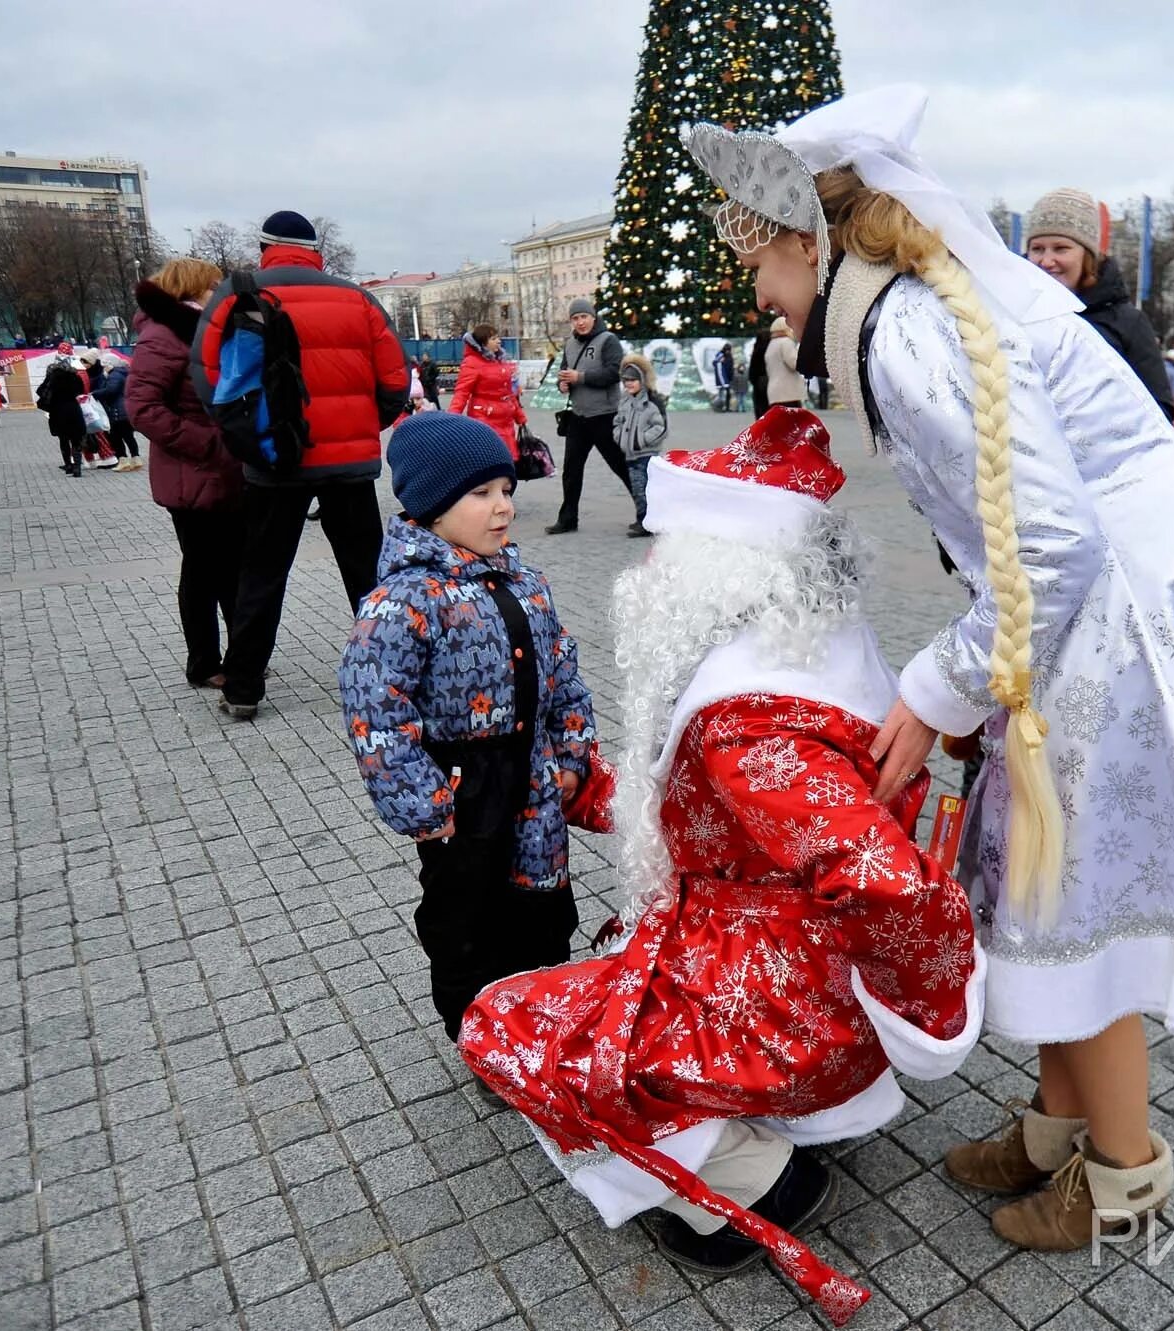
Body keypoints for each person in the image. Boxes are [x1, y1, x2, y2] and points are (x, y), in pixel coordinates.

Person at [683, 86, 1174, 1264]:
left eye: (759, 267)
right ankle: (1054, 1126)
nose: (759, 300)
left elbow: (1054, 545)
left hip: (1117, 624)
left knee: (1075, 893)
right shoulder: (913, 313)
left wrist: (935, 693)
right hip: (1099, 615)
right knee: (1036, 876)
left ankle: (1119, 1174)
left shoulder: (905, 329)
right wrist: (970, 678)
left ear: (805, 244)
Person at [459, 411, 981, 1322]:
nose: (652, 567)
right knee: (600, 989)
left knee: (512, 1026)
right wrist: (590, 788)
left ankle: (759, 1185)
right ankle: (789, 1117)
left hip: (777, 990)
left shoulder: (746, 715)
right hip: (804, 973)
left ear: (725, 563)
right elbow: (725, 813)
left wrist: (929, 1010)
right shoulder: (819, 649)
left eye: (671, 545)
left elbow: (884, 878)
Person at [340, 411, 594, 1040]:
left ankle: (543, 1023)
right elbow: (377, 708)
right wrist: (426, 804)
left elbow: (563, 669)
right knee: (465, 919)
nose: (501, 506)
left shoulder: (525, 581)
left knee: (542, 907)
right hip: (460, 785)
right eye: (480, 494)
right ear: (430, 504)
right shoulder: (402, 601)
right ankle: (482, 1033)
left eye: (506, 490)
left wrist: (572, 751)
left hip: (532, 778)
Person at [192, 209, 411, 719]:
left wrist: (248, 437)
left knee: (262, 575)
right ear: (317, 251)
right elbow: (396, 381)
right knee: (369, 577)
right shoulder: (357, 297)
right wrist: (359, 428)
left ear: (264, 247)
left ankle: (243, 687)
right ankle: (397, 680)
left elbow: (207, 379)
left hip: (274, 462)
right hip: (350, 465)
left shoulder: (236, 294)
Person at [130, 258, 246, 689]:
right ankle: (204, 662)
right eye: (214, 285)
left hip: (225, 471)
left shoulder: (208, 331)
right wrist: (210, 443)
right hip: (193, 473)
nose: (220, 291)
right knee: (202, 572)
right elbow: (143, 408)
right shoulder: (163, 336)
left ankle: (241, 655)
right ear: (193, 288)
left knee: (232, 569)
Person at [1023, 188, 1174, 421]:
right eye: (1037, 249)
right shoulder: (1013, 315)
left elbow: (1159, 410)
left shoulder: (1128, 322)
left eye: (1061, 248)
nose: (1046, 261)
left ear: (1087, 255)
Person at [546, 299, 635, 536]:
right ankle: (567, 519)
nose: (580, 322)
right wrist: (562, 384)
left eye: (584, 317)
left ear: (593, 318)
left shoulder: (608, 340)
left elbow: (615, 372)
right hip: (578, 416)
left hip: (605, 415)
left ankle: (647, 513)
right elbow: (565, 373)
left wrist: (580, 378)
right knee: (571, 470)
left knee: (622, 466)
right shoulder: (569, 344)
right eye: (575, 318)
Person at [446, 323, 527, 455]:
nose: (499, 341)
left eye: (498, 338)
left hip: (505, 420)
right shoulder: (472, 362)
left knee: (509, 461)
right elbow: (462, 392)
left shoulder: (499, 361)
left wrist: (520, 416)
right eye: (494, 338)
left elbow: (508, 392)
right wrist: (452, 419)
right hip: (484, 418)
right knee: (491, 459)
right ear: (483, 343)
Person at [613, 354, 667, 536]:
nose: (629, 384)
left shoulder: (652, 402)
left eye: (633, 380)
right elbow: (618, 422)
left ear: (642, 381)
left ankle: (647, 522)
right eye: (626, 380)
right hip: (630, 454)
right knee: (637, 489)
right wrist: (620, 437)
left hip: (646, 454)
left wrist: (640, 440)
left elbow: (660, 427)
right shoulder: (625, 401)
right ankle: (642, 518)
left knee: (646, 489)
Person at [37, 355, 92, 476]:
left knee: (63, 439)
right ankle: (77, 467)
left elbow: (40, 391)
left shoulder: (52, 378)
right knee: (76, 438)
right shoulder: (74, 377)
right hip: (74, 410)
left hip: (58, 412)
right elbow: (81, 391)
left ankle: (68, 465)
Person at [86, 352, 141, 471]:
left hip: (117, 411)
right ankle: (136, 458)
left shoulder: (114, 375)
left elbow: (111, 390)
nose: (103, 368)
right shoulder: (123, 373)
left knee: (115, 437)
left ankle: (123, 460)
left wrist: (95, 394)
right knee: (128, 436)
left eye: (105, 365)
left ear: (110, 364)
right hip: (125, 410)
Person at [764, 316, 805, 408]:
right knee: (793, 420)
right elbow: (794, 363)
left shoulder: (772, 344)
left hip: (775, 392)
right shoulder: (786, 342)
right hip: (788, 392)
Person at [747, 322, 772, 416]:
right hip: (771, 382)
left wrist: (755, 381)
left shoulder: (757, 351)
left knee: (761, 412)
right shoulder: (771, 349)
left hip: (759, 383)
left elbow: (752, 372)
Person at [714, 341, 737, 411]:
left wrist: (731, 377)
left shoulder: (729, 357)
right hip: (724, 378)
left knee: (727, 394)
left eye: (728, 350)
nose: (727, 351)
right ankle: (720, 407)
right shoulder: (721, 356)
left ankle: (727, 407)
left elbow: (731, 368)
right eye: (726, 350)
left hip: (728, 378)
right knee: (721, 393)